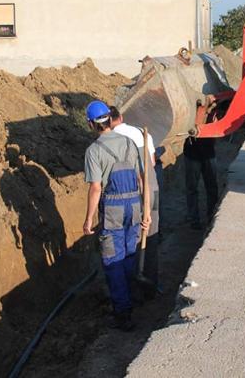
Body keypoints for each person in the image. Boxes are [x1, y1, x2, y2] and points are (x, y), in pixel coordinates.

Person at [83, 100, 149, 331]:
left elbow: (95, 188)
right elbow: (142, 178)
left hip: (112, 211)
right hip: (134, 206)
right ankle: (132, 298)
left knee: (113, 261)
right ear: (110, 119)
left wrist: (89, 219)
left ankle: (123, 313)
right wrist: (145, 209)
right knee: (129, 255)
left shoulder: (94, 151)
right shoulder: (130, 143)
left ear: (92, 124)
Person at [107, 106, 160, 296]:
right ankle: (151, 283)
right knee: (151, 234)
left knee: (133, 238)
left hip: (134, 193)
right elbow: (152, 163)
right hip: (153, 190)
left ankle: (133, 286)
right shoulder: (141, 132)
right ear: (121, 117)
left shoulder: (112, 140)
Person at [184, 136, 218, 230]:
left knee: (212, 186)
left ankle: (212, 216)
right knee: (192, 188)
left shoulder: (212, 120)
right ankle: (193, 219)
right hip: (191, 153)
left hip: (209, 152)